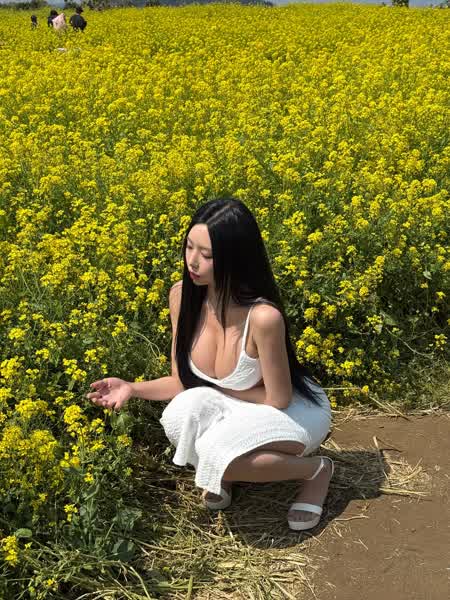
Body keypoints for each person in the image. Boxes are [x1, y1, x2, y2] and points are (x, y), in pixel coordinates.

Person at [87, 197, 334, 531]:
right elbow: (181, 382)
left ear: (235, 257)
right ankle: (225, 465)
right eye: (189, 247)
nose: (192, 261)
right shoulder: (182, 297)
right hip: (232, 406)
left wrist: (212, 391)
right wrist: (131, 388)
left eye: (207, 255)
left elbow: (279, 398)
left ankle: (316, 471)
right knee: (181, 418)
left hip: (286, 410)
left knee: (216, 448)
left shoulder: (263, 317)